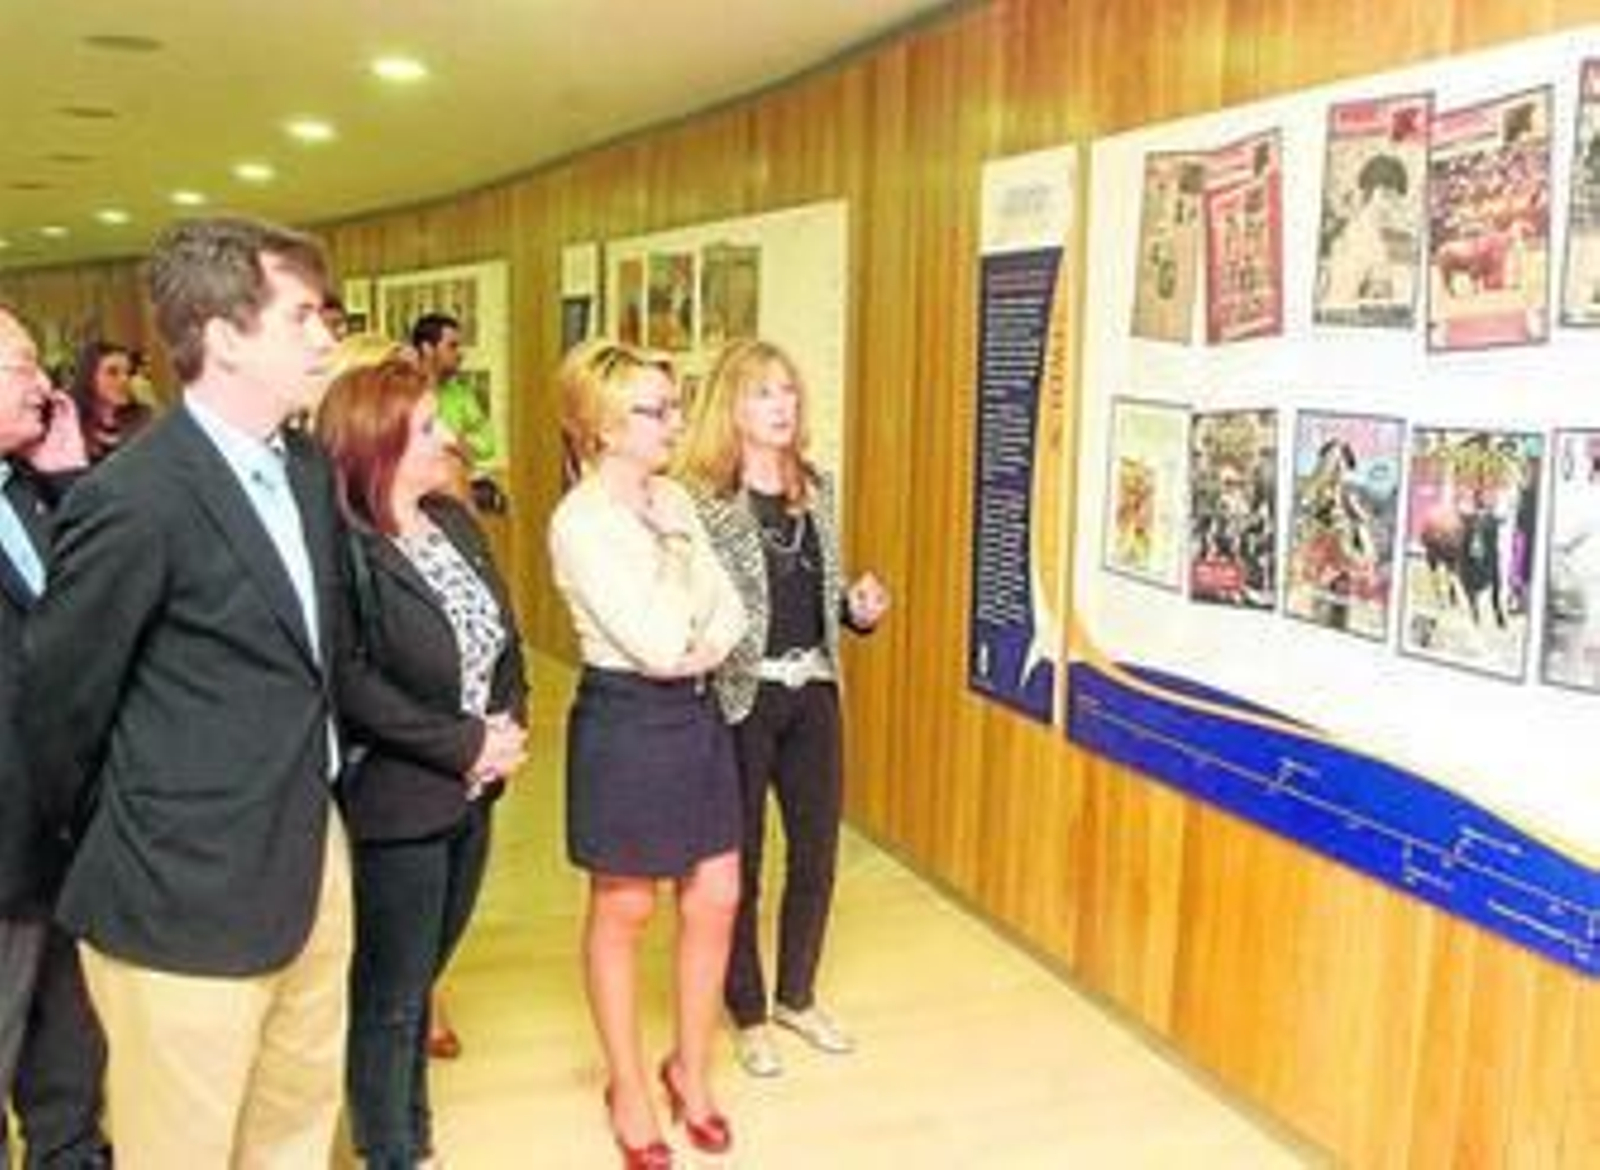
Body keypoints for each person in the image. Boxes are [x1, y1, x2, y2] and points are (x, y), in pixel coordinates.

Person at [21, 216, 501, 1169]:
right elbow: (56, 711)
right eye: (302, 316)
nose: (328, 335)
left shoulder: (309, 468)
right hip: (180, 894)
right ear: (227, 336)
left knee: (292, 1129)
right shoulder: (136, 499)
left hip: (310, 861)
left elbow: (324, 663)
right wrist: (144, 839)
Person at [317, 357, 528, 1168]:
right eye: (431, 428)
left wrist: (509, 727)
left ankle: (408, 1134)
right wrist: (463, 745)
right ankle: (393, 1150)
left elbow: (503, 637)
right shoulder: (350, 548)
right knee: (393, 998)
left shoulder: (454, 522)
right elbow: (352, 680)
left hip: (475, 792)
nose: (451, 439)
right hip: (399, 800)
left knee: (417, 976)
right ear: (379, 443)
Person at [549, 339, 746, 1169]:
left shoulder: (674, 498)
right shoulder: (582, 521)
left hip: (695, 721)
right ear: (600, 424)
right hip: (626, 722)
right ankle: (629, 1085)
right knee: (625, 910)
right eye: (654, 410)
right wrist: (680, 574)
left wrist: (689, 607)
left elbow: (732, 620)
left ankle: (690, 1070)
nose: (673, 422)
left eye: (674, 405)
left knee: (717, 897)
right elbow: (662, 641)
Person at [675, 339, 889, 1078]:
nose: (782, 406)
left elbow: (813, 597)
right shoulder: (701, 500)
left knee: (818, 853)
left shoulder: (815, 487)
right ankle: (749, 1010)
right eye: (764, 393)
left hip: (816, 691)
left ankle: (798, 995)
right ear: (730, 407)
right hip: (741, 696)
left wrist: (857, 610)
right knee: (742, 863)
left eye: (789, 392)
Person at [0, 308, 111, 1170]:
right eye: (22, 366)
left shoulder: (33, 493)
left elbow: (88, 622)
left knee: (70, 1045)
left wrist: (72, 484)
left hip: (68, 826)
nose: (45, 385)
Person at [67, 340, 152, 462]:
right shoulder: (70, 422)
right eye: (112, 372)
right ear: (89, 377)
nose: (124, 379)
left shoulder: (144, 417)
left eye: (128, 372)